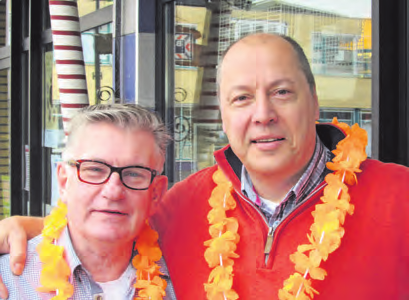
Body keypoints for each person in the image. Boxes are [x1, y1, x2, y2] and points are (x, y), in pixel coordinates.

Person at [0, 33, 409, 299]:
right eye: (242, 98)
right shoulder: (182, 206)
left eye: (282, 92)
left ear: (315, 101)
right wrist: (24, 227)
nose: (263, 114)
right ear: (223, 115)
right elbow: (107, 218)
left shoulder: (400, 197)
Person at [0, 104, 177, 299]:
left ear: (156, 193)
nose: (113, 191)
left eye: (134, 173)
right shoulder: (10, 282)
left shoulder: (184, 281)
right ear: (64, 181)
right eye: (94, 169)